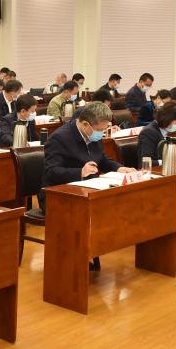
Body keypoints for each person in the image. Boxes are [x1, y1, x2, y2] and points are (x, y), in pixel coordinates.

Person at [42, 103, 136, 268]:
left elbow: (102, 159)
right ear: (85, 124)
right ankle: (75, 258)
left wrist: (119, 168)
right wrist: (80, 172)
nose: (102, 133)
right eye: (100, 130)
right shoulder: (59, 138)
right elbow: (51, 172)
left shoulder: (93, 136)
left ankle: (91, 249)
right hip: (58, 195)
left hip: (88, 189)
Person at [137, 104, 176, 252]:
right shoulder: (149, 132)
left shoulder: (164, 131)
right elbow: (145, 161)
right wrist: (170, 157)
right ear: (167, 119)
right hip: (152, 179)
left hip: (167, 175)